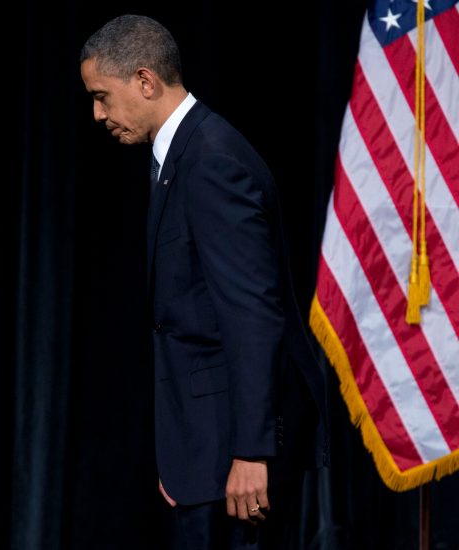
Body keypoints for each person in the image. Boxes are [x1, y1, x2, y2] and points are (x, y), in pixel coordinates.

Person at [80, 14, 328, 550]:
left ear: (145, 81)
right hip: (205, 449)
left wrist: (251, 453)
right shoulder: (180, 157)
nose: (97, 114)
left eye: (102, 95)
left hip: (236, 459)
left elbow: (253, 313)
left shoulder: (212, 160)